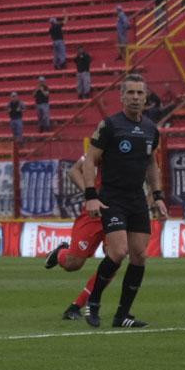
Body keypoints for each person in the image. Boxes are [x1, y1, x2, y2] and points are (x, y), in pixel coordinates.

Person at [80, 74, 167, 329]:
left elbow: (151, 163)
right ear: (121, 97)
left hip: (136, 199)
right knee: (118, 252)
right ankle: (93, 303)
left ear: (146, 97)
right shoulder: (110, 126)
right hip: (112, 198)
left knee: (139, 256)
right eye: (131, 93)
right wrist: (91, 197)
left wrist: (158, 196)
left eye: (140, 93)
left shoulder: (151, 129)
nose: (136, 98)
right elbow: (89, 161)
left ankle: (122, 315)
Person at [45, 156, 111, 320]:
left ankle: (77, 306)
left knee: (114, 260)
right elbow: (74, 171)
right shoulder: (103, 145)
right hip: (94, 214)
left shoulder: (139, 143)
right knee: (73, 264)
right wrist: (91, 196)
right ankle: (61, 253)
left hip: (120, 212)